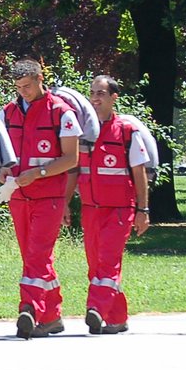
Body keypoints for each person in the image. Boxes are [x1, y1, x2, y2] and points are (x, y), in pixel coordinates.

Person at [1, 59, 82, 339]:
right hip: (18, 196)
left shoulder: (61, 112)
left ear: (39, 78)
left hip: (49, 196)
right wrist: (2, 171)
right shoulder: (7, 113)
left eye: (27, 86)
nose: (23, 92)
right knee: (33, 256)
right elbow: (2, 154)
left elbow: (71, 158)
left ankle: (29, 308)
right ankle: (52, 316)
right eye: (18, 87)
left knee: (37, 253)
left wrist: (39, 173)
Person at [78, 76, 152, 335]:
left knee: (108, 261)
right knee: (96, 264)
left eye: (101, 93)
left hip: (120, 209)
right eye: (92, 93)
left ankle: (95, 308)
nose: (95, 98)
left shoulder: (126, 132)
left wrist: (143, 211)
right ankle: (117, 317)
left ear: (113, 98)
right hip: (90, 209)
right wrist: (65, 204)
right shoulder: (83, 132)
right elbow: (72, 171)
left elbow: (140, 173)